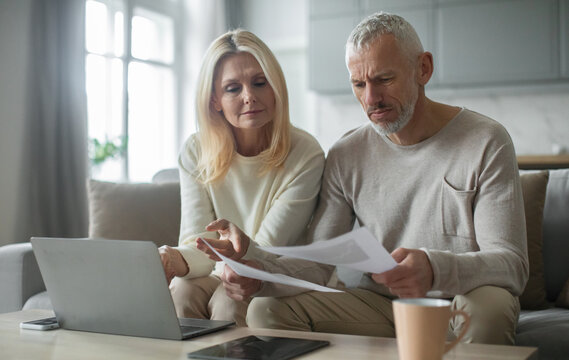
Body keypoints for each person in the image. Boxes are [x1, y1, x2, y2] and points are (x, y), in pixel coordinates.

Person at [198, 13, 528, 345]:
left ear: (423, 69)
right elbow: (318, 265)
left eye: (384, 79)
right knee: (266, 309)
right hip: (379, 306)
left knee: (489, 308)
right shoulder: (347, 153)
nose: (371, 99)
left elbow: (511, 264)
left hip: (460, 300)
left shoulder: (486, 140)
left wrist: (433, 268)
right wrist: (257, 274)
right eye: (359, 84)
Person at [158, 29, 325, 327]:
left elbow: (266, 250)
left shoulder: (305, 152)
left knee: (229, 299)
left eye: (260, 83)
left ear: (276, 88)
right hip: (215, 269)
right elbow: (198, 242)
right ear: (215, 101)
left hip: (272, 272)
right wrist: (174, 259)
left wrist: (206, 261)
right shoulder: (195, 150)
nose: (250, 97)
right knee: (181, 290)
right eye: (233, 88)